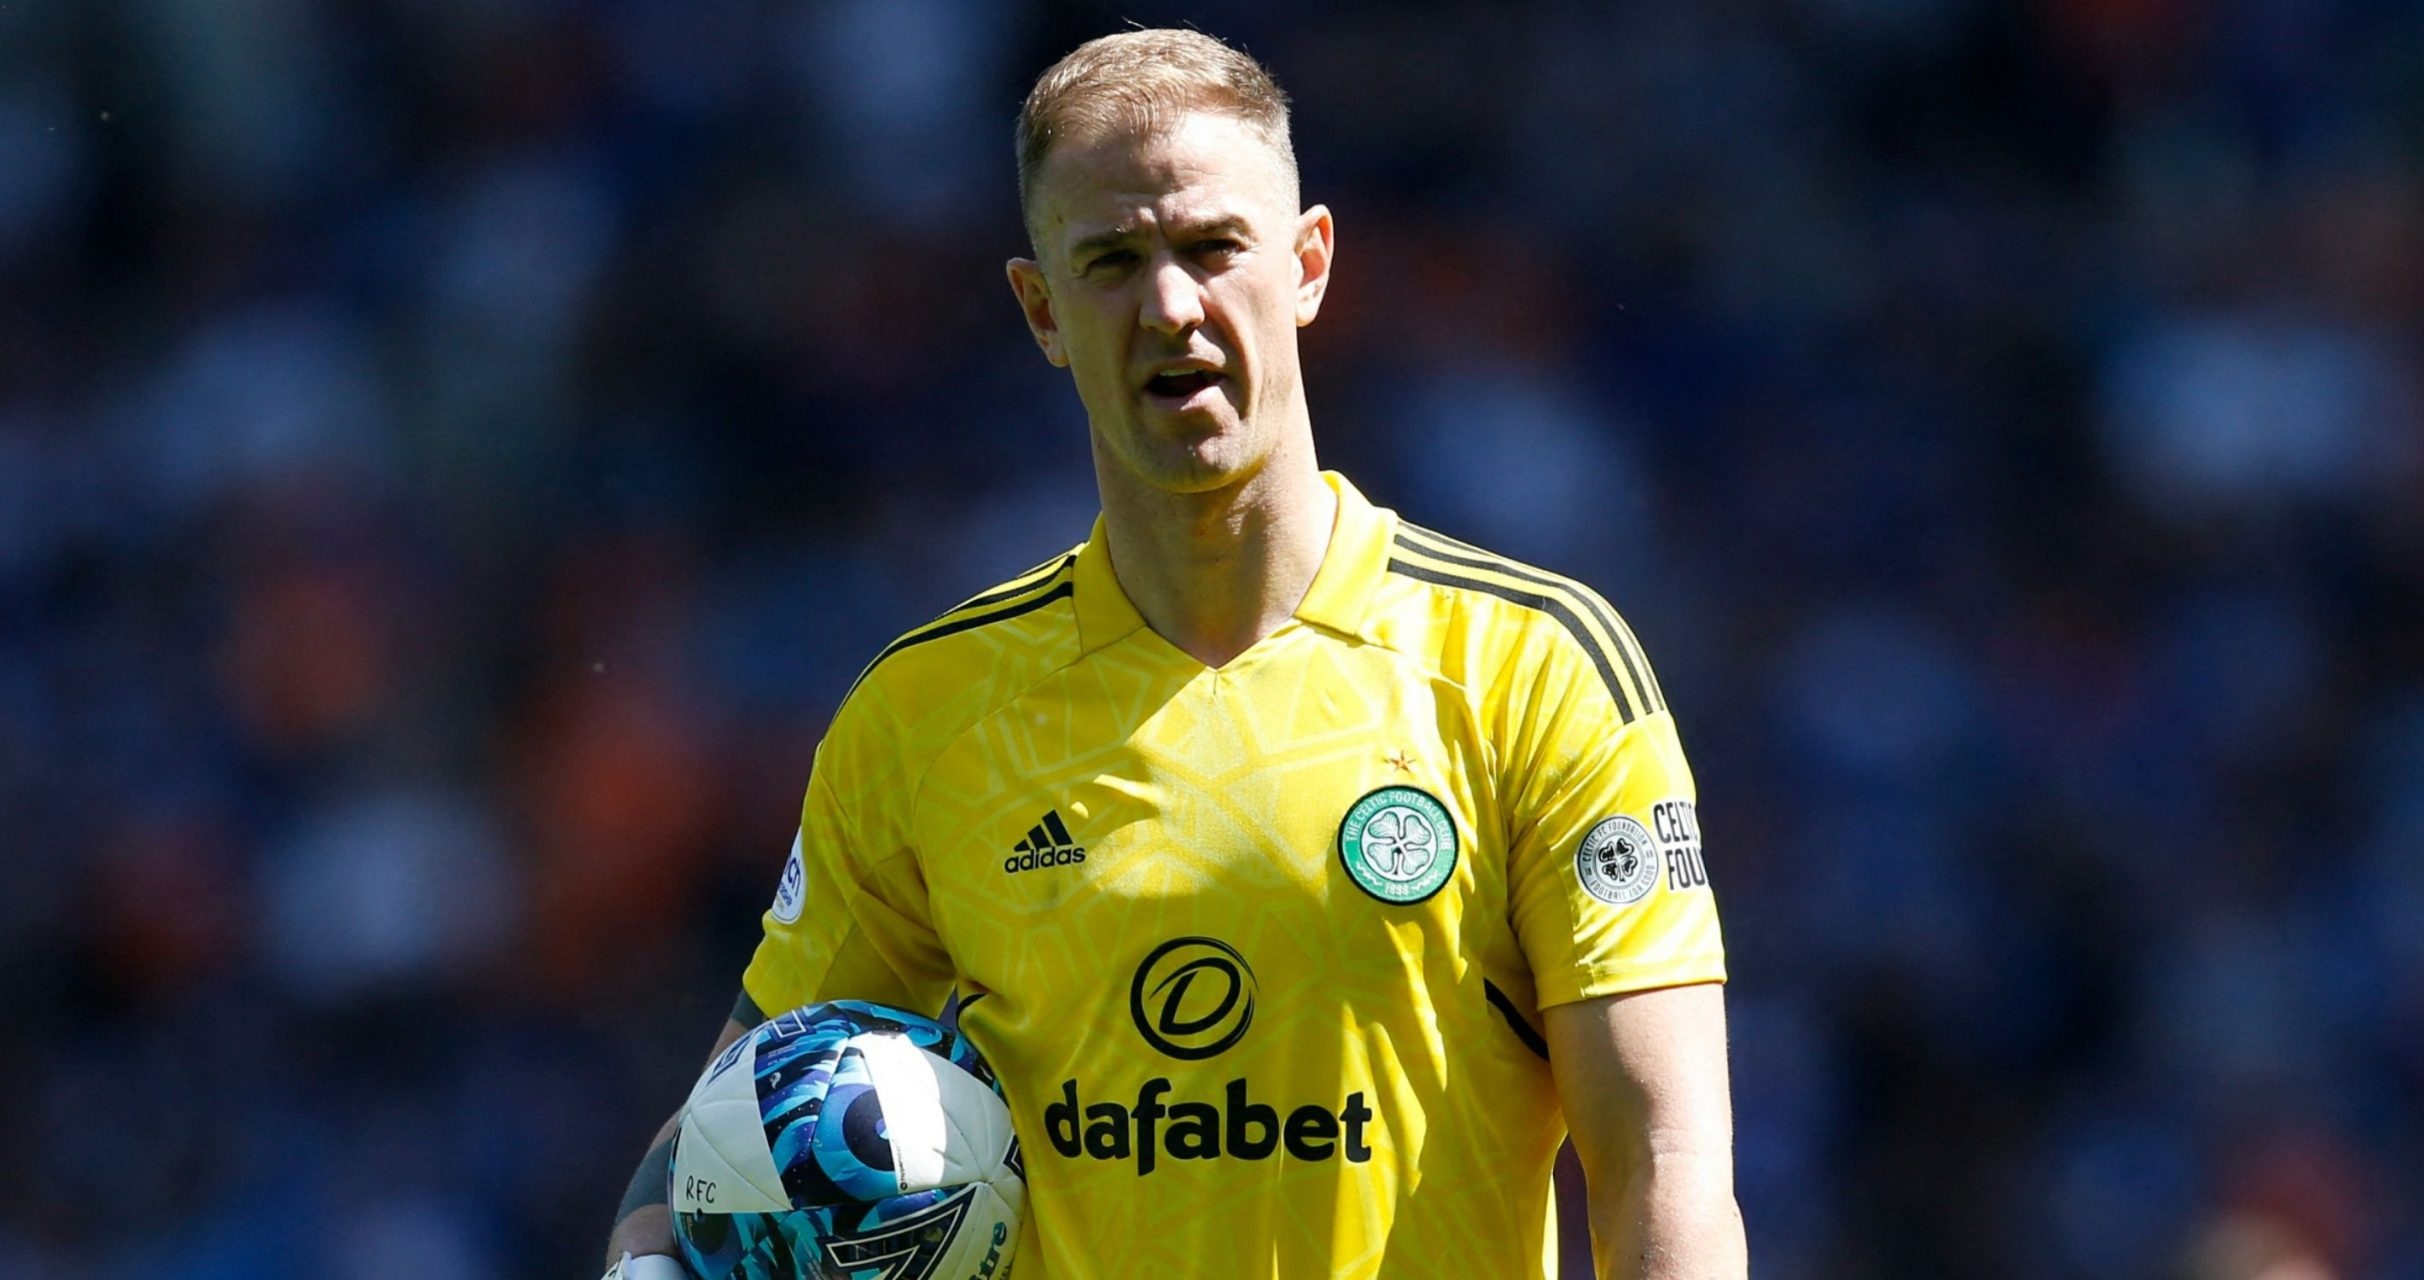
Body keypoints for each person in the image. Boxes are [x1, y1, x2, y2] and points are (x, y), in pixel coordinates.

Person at [602, 27, 1745, 1280]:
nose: (1170, 306)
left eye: (1212, 247)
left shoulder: (1527, 668)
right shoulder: (927, 710)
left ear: (1307, 264)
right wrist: (645, 1260)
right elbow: (731, 1116)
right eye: (1110, 260)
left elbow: (1664, 1162)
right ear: (1041, 308)